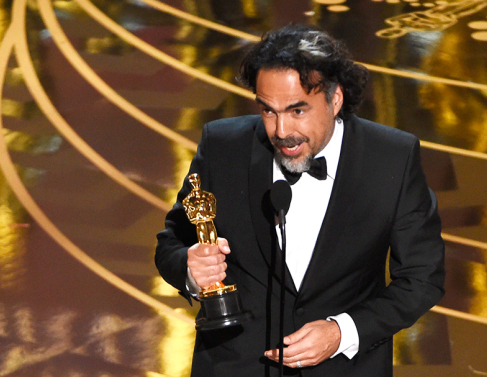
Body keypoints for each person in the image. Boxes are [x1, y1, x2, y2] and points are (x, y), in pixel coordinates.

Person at [155, 24, 445, 377]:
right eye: (268, 111)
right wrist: (189, 268)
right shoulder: (222, 146)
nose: (281, 131)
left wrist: (343, 332)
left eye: (298, 111)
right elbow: (172, 242)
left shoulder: (392, 159)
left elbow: (422, 277)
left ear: (335, 99)